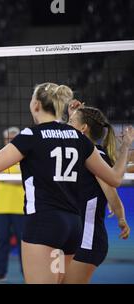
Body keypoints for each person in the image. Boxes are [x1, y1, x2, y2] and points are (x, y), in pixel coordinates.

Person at [0, 82, 134, 284]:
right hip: (72, 227)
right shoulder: (79, 137)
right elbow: (115, 178)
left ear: (36, 105)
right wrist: (125, 147)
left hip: (43, 224)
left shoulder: (30, 136)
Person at [64, 105, 130, 283]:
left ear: (83, 128)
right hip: (73, 236)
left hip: (89, 239)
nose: (65, 126)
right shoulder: (74, 154)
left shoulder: (95, 155)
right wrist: (73, 116)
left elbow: (111, 191)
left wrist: (121, 218)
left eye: (70, 122)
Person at [0, 127, 24, 283]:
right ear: (4, 140)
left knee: (24, 242)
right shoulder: (0, 156)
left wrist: (9, 178)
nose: (11, 141)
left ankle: (28, 272)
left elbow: (5, 178)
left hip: (21, 207)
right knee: (2, 240)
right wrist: (17, 179)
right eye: (8, 138)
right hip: (1, 207)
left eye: (14, 138)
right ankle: (0, 272)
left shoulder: (25, 155)